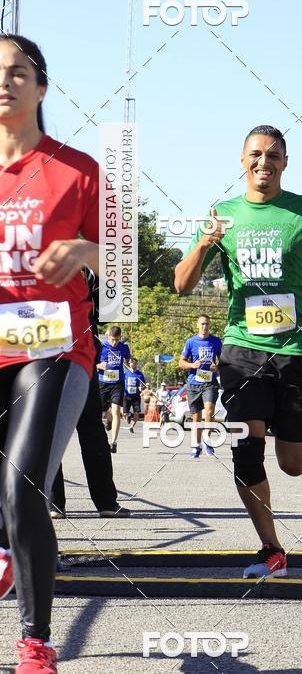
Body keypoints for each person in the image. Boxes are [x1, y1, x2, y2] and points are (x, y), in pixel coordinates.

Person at [175, 124, 302, 579]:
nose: (264, 162)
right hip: (242, 350)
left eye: (274, 155)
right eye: (256, 155)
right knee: (247, 448)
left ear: (285, 162)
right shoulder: (222, 214)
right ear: (242, 161)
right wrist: (205, 244)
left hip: (297, 351)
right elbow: (181, 284)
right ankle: (272, 549)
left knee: (294, 463)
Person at [0, 34, 100, 673]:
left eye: (18, 71)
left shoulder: (79, 168)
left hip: (54, 347)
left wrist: (87, 253)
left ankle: (35, 642)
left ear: (41, 86)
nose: (4, 81)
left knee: (22, 482)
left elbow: (124, 262)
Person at [51, 269, 131, 520]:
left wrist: (106, 266)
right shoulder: (41, 256)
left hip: (82, 357)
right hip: (46, 353)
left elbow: (112, 309)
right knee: (51, 431)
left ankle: (106, 501)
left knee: (93, 431)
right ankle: (53, 503)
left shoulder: (90, 266)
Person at [179, 315, 222, 458]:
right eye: (202, 324)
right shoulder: (191, 342)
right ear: (198, 325)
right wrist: (192, 365)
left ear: (210, 326)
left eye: (207, 324)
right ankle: (196, 446)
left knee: (209, 411)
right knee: (196, 418)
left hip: (209, 383)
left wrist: (217, 367)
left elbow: (224, 360)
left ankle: (207, 440)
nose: (205, 327)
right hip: (194, 383)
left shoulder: (216, 341)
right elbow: (181, 363)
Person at [97, 325, 131, 453]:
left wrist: (129, 361)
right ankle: (109, 420)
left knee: (116, 411)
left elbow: (128, 359)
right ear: (108, 337)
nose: (114, 342)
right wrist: (99, 365)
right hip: (103, 383)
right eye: (112, 339)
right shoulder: (102, 347)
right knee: (104, 411)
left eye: (117, 340)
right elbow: (92, 364)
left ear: (120, 337)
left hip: (118, 383)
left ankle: (113, 442)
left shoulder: (124, 347)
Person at [124, 357, 146, 433]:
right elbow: (121, 381)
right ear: (129, 364)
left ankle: (131, 426)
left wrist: (142, 388)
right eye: (131, 363)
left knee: (137, 412)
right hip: (126, 395)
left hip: (136, 396)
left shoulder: (140, 374)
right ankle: (128, 415)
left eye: (134, 363)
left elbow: (144, 385)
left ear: (136, 364)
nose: (132, 364)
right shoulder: (125, 373)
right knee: (125, 413)